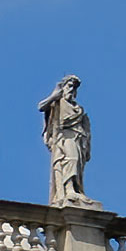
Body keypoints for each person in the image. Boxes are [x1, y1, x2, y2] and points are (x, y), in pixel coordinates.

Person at [39, 75, 97, 209]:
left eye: (74, 88)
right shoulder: (57, 103)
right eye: (69, 86)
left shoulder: (79, 109)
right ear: (63, 88)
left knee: (77, 163)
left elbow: (86, 130)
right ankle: (68, 189)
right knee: (70, 160)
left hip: (78, 138)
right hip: (64, 137)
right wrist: (54, 94)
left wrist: (87, 147)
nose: (71, 90)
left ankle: (76, 189)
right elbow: (41, 106)